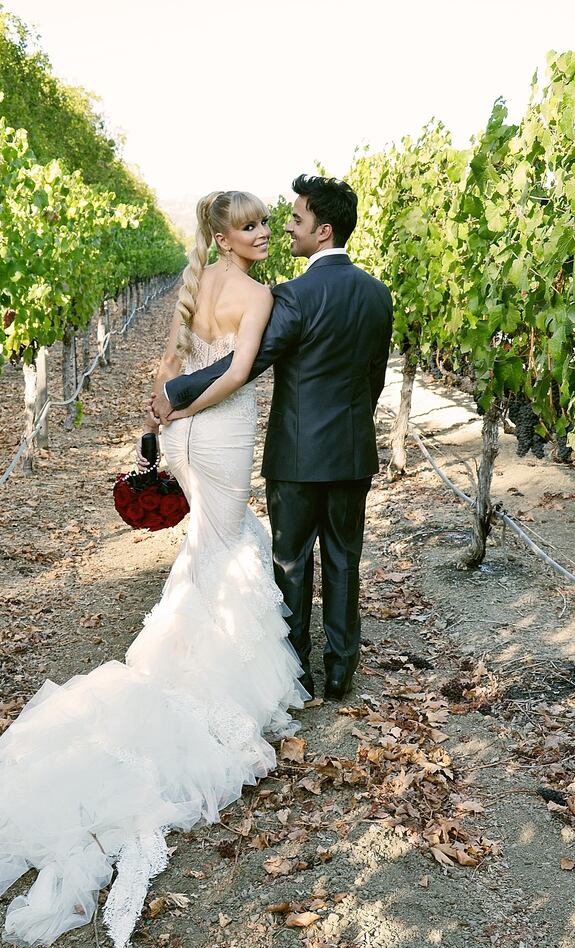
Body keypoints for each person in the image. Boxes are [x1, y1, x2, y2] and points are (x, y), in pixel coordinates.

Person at [0, 190, 308, 948]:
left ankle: (184, 653)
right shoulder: (257, 292)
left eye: (268, 223)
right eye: (252, 226)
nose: (264, 234)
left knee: (210, 544)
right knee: (229, 545)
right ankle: (216, 682)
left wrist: (167, 405)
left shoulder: (197, 285)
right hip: (222, 431)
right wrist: (186, 398)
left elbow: (170, 365)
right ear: (226, 236)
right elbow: (232, 373)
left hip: (187, 439)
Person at [153, 175, 393, 701]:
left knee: (291, 558)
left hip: (297, 453)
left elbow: (248, 364)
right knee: (344, 557)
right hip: (353, 451)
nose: (286, 226)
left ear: (322, 230)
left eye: (297, 218)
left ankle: (297, 670)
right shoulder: (378, 294)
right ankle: (339, 671)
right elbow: (374, 377)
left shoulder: (293, 296)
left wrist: (176, 390)